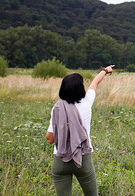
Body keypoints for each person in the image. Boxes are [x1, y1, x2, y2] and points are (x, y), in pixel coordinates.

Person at [46, 65, 114, 196]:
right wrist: (105, 71)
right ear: (80, 89)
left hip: (60, 161)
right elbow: (95, 83)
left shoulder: (57, 108)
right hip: (83, 160)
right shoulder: (87, 103)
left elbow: (50, 139)